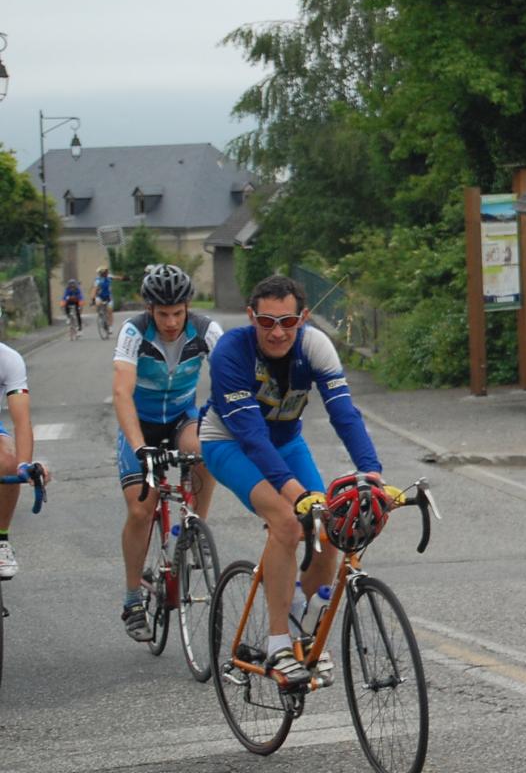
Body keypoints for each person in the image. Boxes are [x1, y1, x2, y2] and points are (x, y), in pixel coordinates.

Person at [199, 275, 382, 684]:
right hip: (228, 443)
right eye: (266, 322)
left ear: (304, 317)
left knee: (329, 522)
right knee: (286, 521)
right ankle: (278, 644)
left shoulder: (314, 345)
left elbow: (344, 413)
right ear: (251, 317)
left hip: (285, 443)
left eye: (288, 321)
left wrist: (372, 473)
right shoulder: (231, 351)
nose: (278, 331)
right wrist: (296, 493)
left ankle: (302, 621)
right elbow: (250, 434)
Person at [112, 264, 222, 641]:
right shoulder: (134, 332)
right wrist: (140, 446)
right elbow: (122, 392)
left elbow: (230, 375)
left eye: (178, 312)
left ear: (188, 306)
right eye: (163, 314)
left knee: (205, 451)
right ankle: (132, 600)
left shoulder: (206, 329)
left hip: (180, 417)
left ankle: (194, 532)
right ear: (150, 309)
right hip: (140, 424)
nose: (172, 322)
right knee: (142, 507)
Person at [0, 342, 50, 580]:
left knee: (8, 460)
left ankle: (1, 540)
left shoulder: (8, 359)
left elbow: (21, 421)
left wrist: (23, 465)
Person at [91, 265, 122, 336]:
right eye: (104, 272)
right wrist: (93, 299)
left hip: (108, 297)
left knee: (110, 311)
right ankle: (101, 315)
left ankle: (110, 326)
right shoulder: (98, 280)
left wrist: (124, 278)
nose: (106, 273)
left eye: (106, 272)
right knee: (98, 304)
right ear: (101, 273)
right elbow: (94, 289)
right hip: (100, 296)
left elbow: (117, 277)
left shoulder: (109, 277)